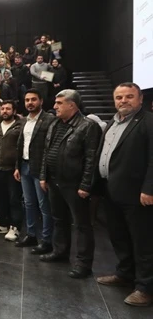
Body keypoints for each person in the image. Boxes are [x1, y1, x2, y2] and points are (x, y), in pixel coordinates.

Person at [94, 83, 153, 306]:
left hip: (137, 194)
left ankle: (146, 287)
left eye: (129, 96)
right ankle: (125, 273)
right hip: (111, 190)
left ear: (140, 99)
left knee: (143, 241)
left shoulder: (148, 122)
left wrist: (149, 189)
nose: (123, 101)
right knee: (119, 236)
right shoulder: (112, 122)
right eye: (119, 97)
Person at [39, 89, 101, 279]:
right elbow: (46, 151)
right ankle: (60, 251)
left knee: (82, 224)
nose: (55, 106)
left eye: (59, 103)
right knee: (59, 219)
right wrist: (43, 176)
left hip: (74, 183)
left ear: (72, 105)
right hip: (54, 180)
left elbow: (91, 158)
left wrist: (86, 184)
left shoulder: (88, 126)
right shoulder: (55, 123)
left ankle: (83, 263)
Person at [14, 89, 55, 254]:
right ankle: (31, 235)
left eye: (33, 99)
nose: (30, 103)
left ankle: (47, 240)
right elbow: (20, 144)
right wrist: (17, 166)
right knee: (28, 203)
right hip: (24, 166)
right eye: (27, 100)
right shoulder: (24, 120)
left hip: (40, 168)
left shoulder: (49, 120)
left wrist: (45, 174)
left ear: (41, 101)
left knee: (44, 206)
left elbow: (48, 149)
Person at [0, 100, 24, 241]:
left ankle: (15, 227)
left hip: (13, 169)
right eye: (2, 109)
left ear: (14, 111)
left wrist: (18, 166)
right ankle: (1, 224)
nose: (5, 111)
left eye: (8, 108)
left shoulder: (20, 125)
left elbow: (22, 148)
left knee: (14, 199)